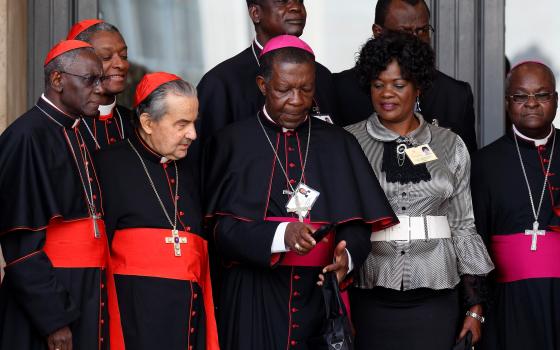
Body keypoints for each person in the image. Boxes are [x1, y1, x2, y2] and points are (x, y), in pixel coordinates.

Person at [203, 35, 397, 350]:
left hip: (318, 299)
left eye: (306, 89)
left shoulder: (339, 143)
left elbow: (357, 224)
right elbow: (221, 230)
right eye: (284, 90)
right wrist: (282, 235)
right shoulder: (232, 142)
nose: (296, 99)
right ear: (263, 85)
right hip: (254, 297)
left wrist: (345, 260)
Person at [344, 32, 493, 350]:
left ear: (418, 87)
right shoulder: (347, 142)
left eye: (398, 85)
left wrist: (475, 307)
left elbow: (463, 226)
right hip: (369, 298)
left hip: (436, 298)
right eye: (378, 84)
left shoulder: (450, 144)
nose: (387, 94)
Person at [94, 72, 219, 350]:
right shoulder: (107, 166)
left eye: (194, 123)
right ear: (148, 123)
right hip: (134, 318)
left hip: (189, 317)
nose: (193, 134)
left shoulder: (192, 167)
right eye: (182, 124)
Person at [0, 40, 111, 350]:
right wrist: (54, 319)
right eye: (90, 79)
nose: (100, 88)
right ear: (58, 80)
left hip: (84, 288)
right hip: (51, 295)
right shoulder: (25, 137)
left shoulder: (77, 132)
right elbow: (21, 246)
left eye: (100, 79)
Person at [472, 61, 560, 350]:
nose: (531, 103)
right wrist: (476, 305)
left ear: (556, 101)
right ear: (508, 103)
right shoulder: (486, 162)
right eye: (521, 96)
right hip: (509, 301)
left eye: (542, 95)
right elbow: (476, 240)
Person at [195, 0, 338, 158]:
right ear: (256, 13)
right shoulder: (220, 82)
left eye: (300, 1)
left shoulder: (322, 75)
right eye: (283, 2)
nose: (296, 8)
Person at [334, 0, 478, 153]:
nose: (415, 40)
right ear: (378, 32)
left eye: (422, 30)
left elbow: (467, 167)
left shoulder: (455, 95)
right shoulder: (340, 89)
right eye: (404, 33)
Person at [67, 19, 133, 150]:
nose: (120, 64)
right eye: (106, 57)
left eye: (124, 56)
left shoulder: (135, 123)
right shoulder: (61, 125)